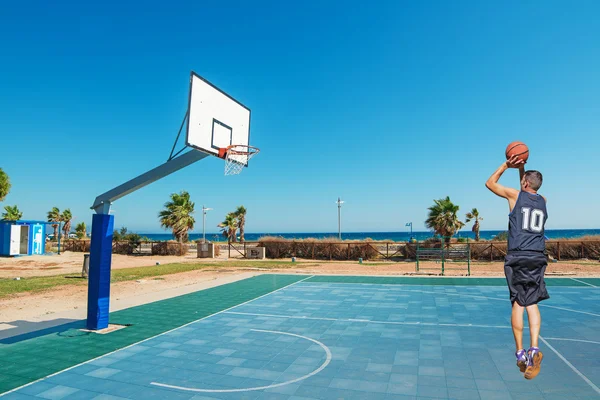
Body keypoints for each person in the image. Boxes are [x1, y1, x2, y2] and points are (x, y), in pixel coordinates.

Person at [485, 154, 549, 380]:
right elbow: (526, 189)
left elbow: (489, 184)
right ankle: (534, 348)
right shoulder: (543, 201)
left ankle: (520, 353)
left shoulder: (515, 195)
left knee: (518, 303)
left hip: (518, 257)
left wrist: (507, 165)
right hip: (538, 257)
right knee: (532, 302)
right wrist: (522, 169)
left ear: (523, 184)